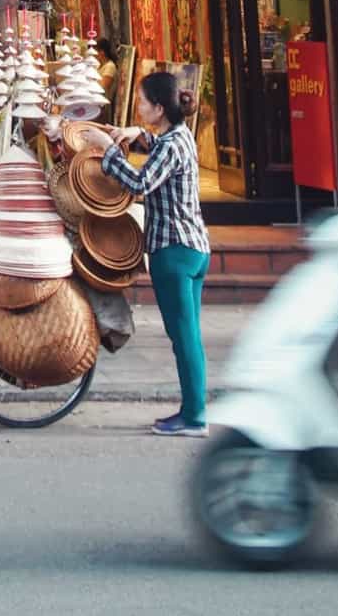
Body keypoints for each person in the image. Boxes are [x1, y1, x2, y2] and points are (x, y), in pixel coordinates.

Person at [94, 70, 211, 437]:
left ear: (159, 108)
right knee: (188, 335)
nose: (140, 106)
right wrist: (135, 134)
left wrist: (109, 152)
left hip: (174, 252)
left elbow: (141, 182)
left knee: (184, 338)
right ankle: (193, 410)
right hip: (193, 248)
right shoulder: (178, 137)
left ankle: (194, 417)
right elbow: (157, 147)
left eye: (144, 102)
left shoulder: (172, 145)